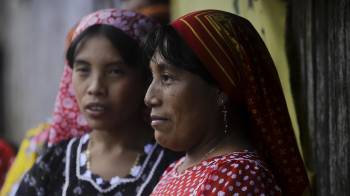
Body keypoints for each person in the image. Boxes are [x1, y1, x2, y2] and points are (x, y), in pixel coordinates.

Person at [144, 10, 310, 195]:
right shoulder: (176, 169)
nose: (149, 97)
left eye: (166, 78)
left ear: (221, 88)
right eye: (153, 77)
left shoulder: (238, 176)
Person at [15, 8, 179, 196]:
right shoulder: (54, 163)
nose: (95, 87)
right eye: (83, 70)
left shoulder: (174, 166)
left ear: (146, 77)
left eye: (115, 71)